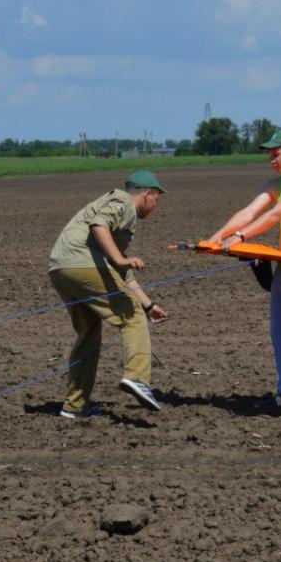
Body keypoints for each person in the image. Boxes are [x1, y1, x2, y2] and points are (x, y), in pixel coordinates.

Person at [206, 128, 281, 417]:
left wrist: (241, 238)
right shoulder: (277, 184)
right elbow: (249, 212)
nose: (271, 160)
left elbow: (276, 215)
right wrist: (214, 239)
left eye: (275, 155)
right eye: (269, 156)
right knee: (279, 333)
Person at [48, 170, 171, 418]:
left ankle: (74, 406)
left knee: (90, 332)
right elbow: (99, 224)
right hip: (81, 263)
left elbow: (120, 273)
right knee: (130, 315)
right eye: (157, 198)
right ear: (148, 193)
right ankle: (138, 378)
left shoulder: (121, 213)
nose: (156, 205)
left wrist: (148, 305)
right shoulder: (124, 201)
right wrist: (120, 258)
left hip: (61, 267)